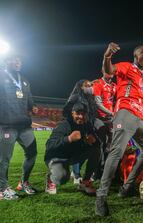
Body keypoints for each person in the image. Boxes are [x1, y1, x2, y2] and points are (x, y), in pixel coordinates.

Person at [95, 43, 143, 217]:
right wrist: (107, 57)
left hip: (140, 118)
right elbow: (109, 70)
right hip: (125, 112)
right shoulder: (127, 66)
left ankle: (127, 187)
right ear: (136, 56)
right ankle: (101, 197)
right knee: (117, 152)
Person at [0, 56, 37, 200]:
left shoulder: (25, 80)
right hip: (7, 125)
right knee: (4, 159)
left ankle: (24, 182)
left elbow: (29, 100)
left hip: (24, 126)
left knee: (32, 153)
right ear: (6, 62)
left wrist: (33, 107)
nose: (17, 62)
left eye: (19, 61)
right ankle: (2, 189)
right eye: (14, 60)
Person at [44, 102, 99, 195]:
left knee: (96, 148)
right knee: (62, 178)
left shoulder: (87, 125)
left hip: (71, 155)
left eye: (83, 114)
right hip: (56, 157)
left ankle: (85, 182)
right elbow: (49, 145)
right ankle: (50, 178)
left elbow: (91, 141)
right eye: (78, 113)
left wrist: (92, 141)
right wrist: (68, 139)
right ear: (72, 113)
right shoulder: (64, 125)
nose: (81, 116)